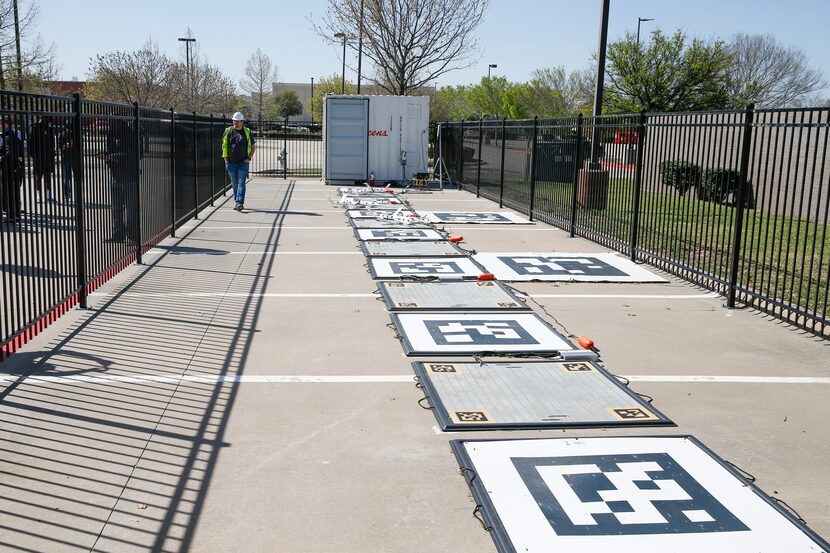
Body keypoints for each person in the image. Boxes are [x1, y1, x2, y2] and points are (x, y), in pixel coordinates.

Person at [103, 119, 139, 243]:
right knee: (116, 207)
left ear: (120, 122)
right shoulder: (110, 135)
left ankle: (132, 236)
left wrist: (118, 156)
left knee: (130, 207)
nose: (110, 124)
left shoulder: (130, 134)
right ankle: (118, 234)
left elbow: (135, 154)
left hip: (129, 175)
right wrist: (105, 156)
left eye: (112, 122)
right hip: (115, 174)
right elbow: (109, 150)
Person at [222, 111, 255, 211]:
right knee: (234, 183)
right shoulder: (228, 131)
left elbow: (253, 147)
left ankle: (239, 202)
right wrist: (226, 159)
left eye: (237, 121)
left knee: (241, 183)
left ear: (242, 122)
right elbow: (224, 146)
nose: (235, 123)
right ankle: (237, 202)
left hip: (243, 163)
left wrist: (248, 158)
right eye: (234, 121)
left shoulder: (247, 132)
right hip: (230, 162)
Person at [1, 116, 25, 224]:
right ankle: (16, 215)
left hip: (6, 166)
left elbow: (5, 151)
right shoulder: (16, 135)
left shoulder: (3, 136)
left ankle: (11, 216)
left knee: (8, 191)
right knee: (15, 190)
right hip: (17, 165)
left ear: (6, 124)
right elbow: (21, 151)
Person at [28, 116, 57, 204]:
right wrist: (34, 156)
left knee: (48, 177)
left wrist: (52, 157)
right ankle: (38, 196)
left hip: (48, 157)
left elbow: (52, 144)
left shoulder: (50, 129)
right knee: (38, 177)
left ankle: (48, 196)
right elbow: (31, 143)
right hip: (38, 157)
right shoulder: (34, 128)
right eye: (47, 119)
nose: (48, 121)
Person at [57, 120, 78, 202]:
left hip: (75, 158)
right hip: (66, 158)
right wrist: (67, 145)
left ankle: (78, 194)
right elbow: (59, 146)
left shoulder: (76, 133)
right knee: (66, 178)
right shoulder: (62, 134)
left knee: (77, 178)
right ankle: (66, 195)